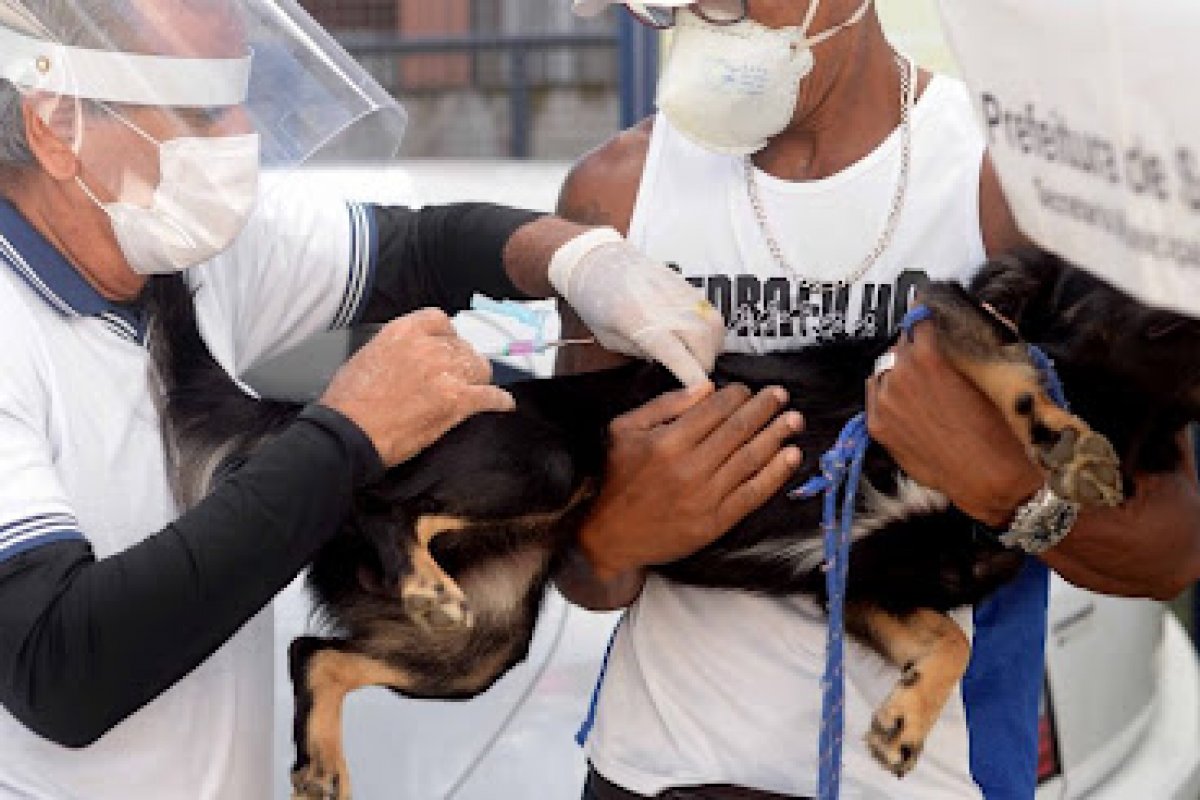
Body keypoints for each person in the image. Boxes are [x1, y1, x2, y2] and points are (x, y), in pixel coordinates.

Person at [0, 2, 808, 798]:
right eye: (203, 109)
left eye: (244, 97)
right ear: (56, 126)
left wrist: (584, 261)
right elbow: (61, 673)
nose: (242, 134)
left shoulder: (180, 258)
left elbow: (421, 247)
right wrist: (349, 435)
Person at [556, 1, 1200, 799]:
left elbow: (1171, 551)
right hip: (656, 775)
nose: (694, 12)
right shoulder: (614, 192)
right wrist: (609, 542)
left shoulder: (1014, 184)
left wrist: (1010, 490)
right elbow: (581, 567)